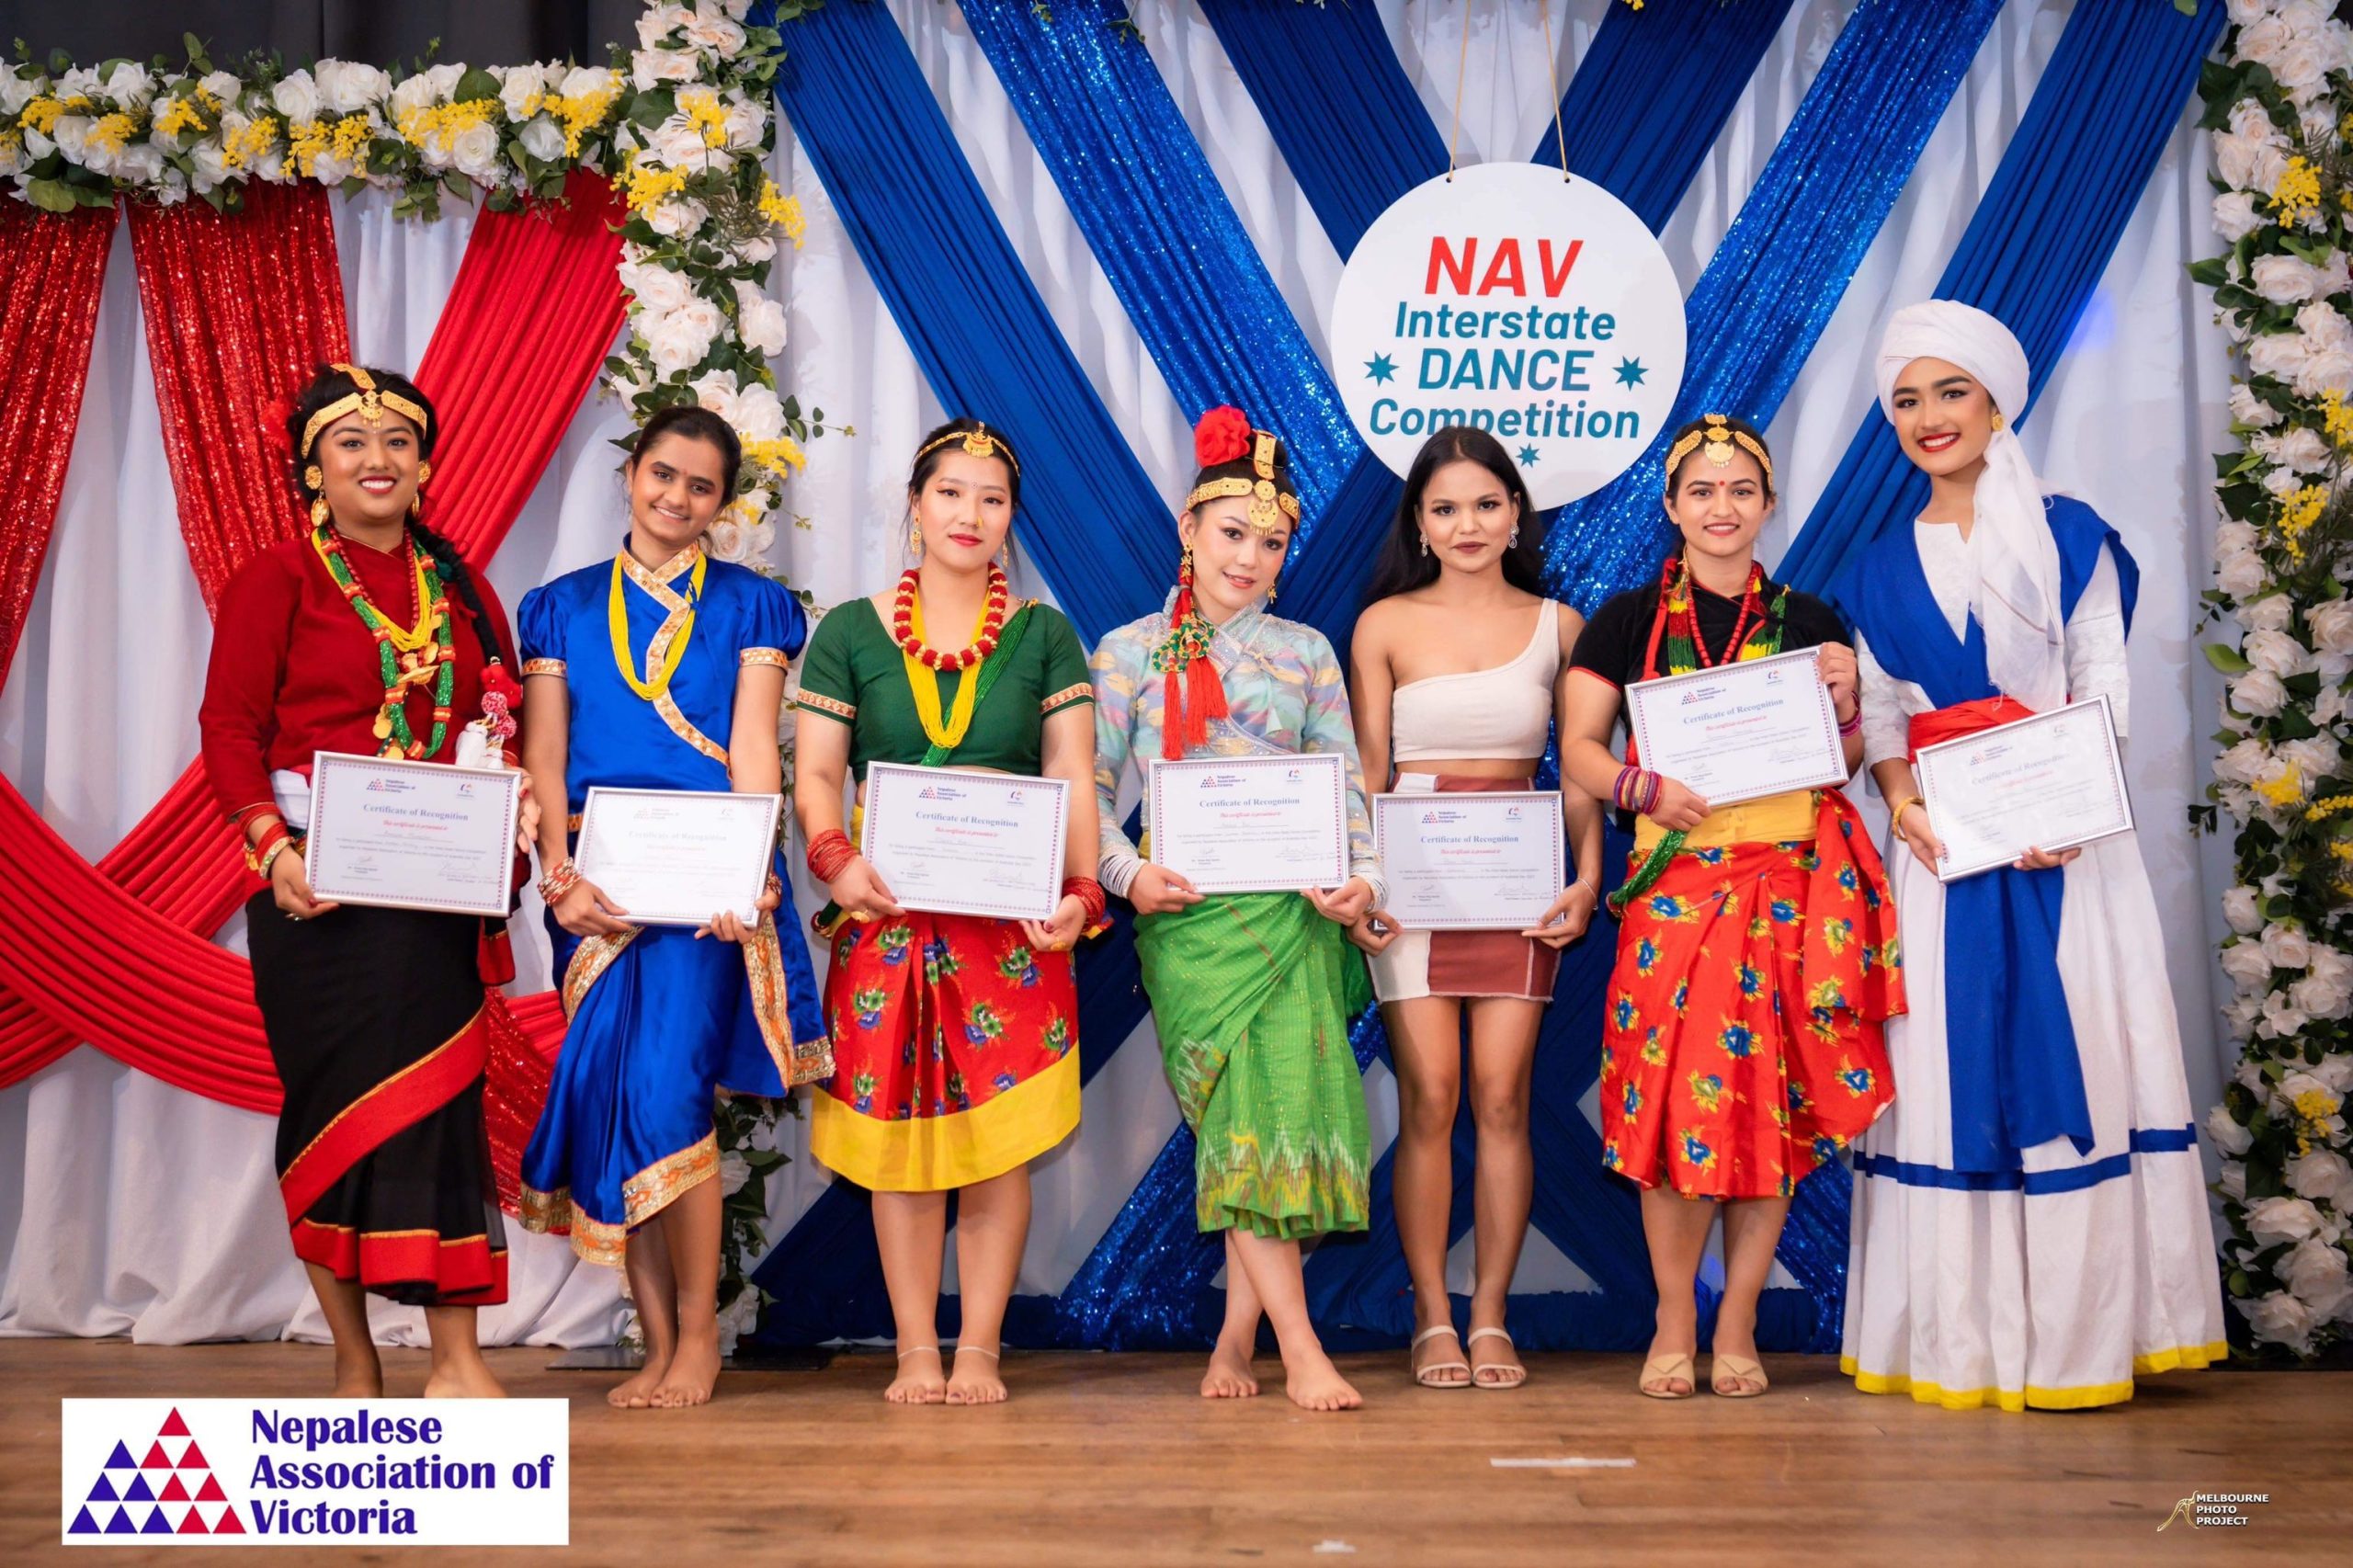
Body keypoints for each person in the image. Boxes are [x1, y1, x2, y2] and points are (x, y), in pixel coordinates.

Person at [1835, 301, 2225, 1411]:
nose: (1928, 417)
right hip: (1944, 855)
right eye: (1905, 400)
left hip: (2068, 850)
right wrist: (1902, 803)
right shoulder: (1875, 569)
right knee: (1947, 1068)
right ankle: (1958, 1345)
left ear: (1997, 401)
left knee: (2085, 1048)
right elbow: (1883, 715)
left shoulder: (2069, 534)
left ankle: (2077, 1342)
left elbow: (2102, 684)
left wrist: (2069, 810)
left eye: (1948, 391)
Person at [199, 362, 536, 1398]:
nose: (377, 459)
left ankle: (457, 1362)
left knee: (439, 1110)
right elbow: (228, 729)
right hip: (319, 890)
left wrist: (513, 809)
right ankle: (354, 1360)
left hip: (434, 890)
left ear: (425, 465)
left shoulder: (462, 587)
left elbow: (503, 722)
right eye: (352, 442)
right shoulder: (277, 578)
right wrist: (276, 853)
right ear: (315, 469)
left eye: (398, 441)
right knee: (331, 1113)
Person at [1560, 414, 1902, 1399]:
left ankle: (1740, 1318)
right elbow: (1578, 748)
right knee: (1672, 1109)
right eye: (1702, 491)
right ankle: (1676, 1317)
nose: (1722, 507)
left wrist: (1848, 702)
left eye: (1741, 490)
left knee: (1769, 1108)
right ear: (1671, 507)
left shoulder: (1812, 620)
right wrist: (1640, 788)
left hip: (1785, 892)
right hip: (1674, 894)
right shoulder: (1625, 619)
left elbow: (1841, 763)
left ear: (1768, 505)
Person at [514, 405, 830, 1410]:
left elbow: (753, 746)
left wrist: (746, 872)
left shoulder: (753, 606)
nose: (676, 497)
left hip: (700, 896)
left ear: (722, 503)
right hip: (600, 895)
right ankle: (654, 1343)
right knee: (616, 1110)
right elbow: (545, 755)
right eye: (662, 474)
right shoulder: (559, 607)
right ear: (630, 474)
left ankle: (699, 1336)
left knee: (668, 1099)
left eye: (701, 486)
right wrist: (559, 880)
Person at [793, 418, 1102, 1406]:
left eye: (992, 498)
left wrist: (1082, 891)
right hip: (886, 921)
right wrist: (834, 859)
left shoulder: (1044, 634)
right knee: (901, 1149)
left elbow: (1072, 769)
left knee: (996, 1146)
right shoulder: (850, 631)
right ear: (915, 505)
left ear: (1012, 518)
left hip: (1009, 934)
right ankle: (915, 1349)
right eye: (951, 492)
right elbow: (817, 773)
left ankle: (979, 1348)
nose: (971, 514)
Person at [1090, 406, 1381, 1413]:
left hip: (1295, 921)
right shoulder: (1128, 652)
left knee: (1275, 1120)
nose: (1249, 558)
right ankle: (1294, 1347)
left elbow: (1346, 787)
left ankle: (1254, 1338)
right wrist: (1126, 874)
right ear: (1187, 527)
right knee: (1237, 1123)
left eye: (1271, 541)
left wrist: (1363, 881)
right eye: (1231, 533)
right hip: (1190, 922)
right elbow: (1086, 793)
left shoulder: (1307, 652)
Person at [1347, 426, 1604, 1391]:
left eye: (1487, 504)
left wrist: (1586, 879)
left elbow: (1579, 774)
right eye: (1446, 507)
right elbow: (1369, 772)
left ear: (1515, 515)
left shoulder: (1561, 625)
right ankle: (1430, 1314)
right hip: (1410, 881)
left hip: (1517, 884)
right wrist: (1362, 882)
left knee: (1502, 1098)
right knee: (1432, 1096)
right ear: (1418, 521)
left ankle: (1489, 1314)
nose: (1467, 524)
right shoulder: (1381, 625)